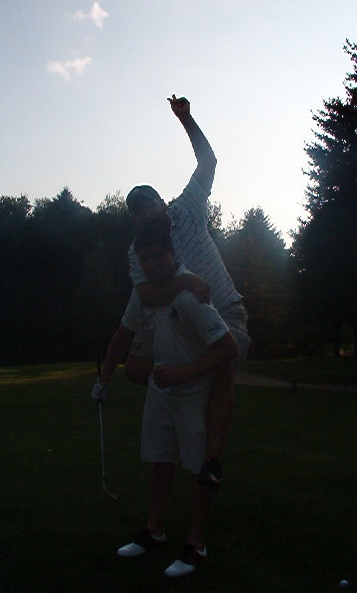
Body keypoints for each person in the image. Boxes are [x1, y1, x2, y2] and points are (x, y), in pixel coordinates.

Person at [92, 222, 238, 577]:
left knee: (200, 466)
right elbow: (123, 334)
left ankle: (195, 544)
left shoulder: (191, 295)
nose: (150, 265)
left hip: (193, 392)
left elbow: (228, 347)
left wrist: (185, 373)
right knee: (160, 458)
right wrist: (104, 379)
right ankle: (154, 530)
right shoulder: (144, 294)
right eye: (144, 259)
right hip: (162, 388)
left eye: (157, 257)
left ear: (172, 255)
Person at [123, 94, 250, 490]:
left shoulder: (187, 209)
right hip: (175, 323)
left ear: (162, 203)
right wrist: (186, 283)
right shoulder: (137, 251)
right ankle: (184, 397)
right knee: (135, 369)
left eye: (148, 206)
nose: (145, 215)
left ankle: (210, 460)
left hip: (224, 312)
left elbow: (208, 162)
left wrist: (186, 119)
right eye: (136, 212)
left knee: (223, 362)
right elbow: (146, 297)